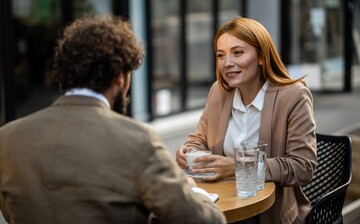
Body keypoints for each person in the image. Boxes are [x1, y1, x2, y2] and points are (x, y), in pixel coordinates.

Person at [0, 15, 226, 224]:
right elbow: (203, 221)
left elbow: (10, 212)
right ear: (120, 78)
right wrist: (194, 192)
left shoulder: (7, 138)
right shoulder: (137, 139)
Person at [176, 16, 317, 224]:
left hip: (270, 213)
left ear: (261, 56)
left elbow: (303, 166)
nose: (228, 63)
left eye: (238, 52)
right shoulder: (219, 91)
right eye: (220, 55)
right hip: (223, 203)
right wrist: (189, 150)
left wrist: (237, 167)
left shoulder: (294, 96)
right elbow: (199, 138)